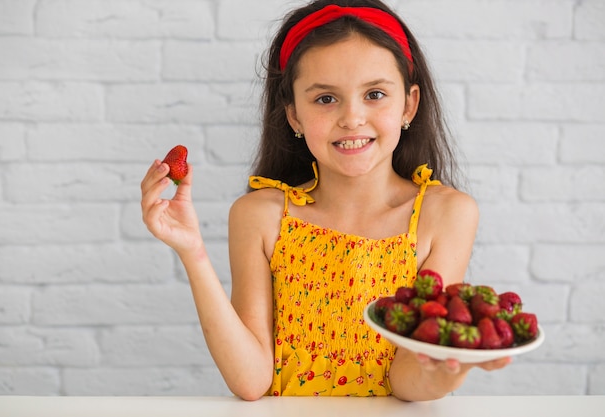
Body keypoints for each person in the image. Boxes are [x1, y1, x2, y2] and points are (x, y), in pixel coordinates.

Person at [141, 0, 510, 401]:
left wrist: (450, 365)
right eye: (325, 99)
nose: (352, 118)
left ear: (409, 104)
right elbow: (251, 381)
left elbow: (406, 381)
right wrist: (193, 252)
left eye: (374, 94)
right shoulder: (260, 216)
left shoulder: (446, 214)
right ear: (294, 116)